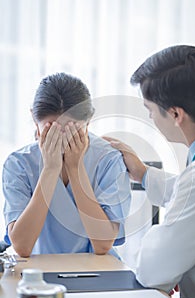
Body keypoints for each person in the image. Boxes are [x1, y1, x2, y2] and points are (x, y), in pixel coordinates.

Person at [104, 45, 195, 298]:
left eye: (150, 111)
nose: (150, 118)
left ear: (176, 114)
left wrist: (170, 260)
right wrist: (144, 173)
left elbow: (152, 270)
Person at [2, 73, 131, 258]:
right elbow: (22, 246)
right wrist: (50, 169)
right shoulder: (19, 163)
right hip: (39, 271)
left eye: (72, 131)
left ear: (88, 122)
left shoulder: (108, 159)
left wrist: (75, 167)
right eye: (51, 130)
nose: (61, 141)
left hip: (97, 270)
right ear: (34, 119)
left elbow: (102, 245)